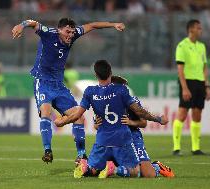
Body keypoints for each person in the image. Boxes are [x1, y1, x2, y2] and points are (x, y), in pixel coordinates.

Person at [12, 18, 126, 164]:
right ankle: (47, 150)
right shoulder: (49, 33)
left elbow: (92, 25)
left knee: (79, 117)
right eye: (67, 31)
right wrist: (21, 25)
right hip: (43, 82)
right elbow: (32, 22)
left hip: (59, 85)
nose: (70, 35)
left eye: (72, 32)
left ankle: (82, 155)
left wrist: (113, 24)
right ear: (59, 30)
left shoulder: (73, 35)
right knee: (46, 112)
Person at [54, 60, 168, 178]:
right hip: (121, 139)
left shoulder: (93, 93)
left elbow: (142, 122)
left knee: (146, 173)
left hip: (121, 138)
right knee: (136, 172)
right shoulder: (119, 93)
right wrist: (158, 119)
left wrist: (62, 121)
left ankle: (89, 167)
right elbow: (97, 124)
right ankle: (113, 168)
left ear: (96, 75)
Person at [94, 75, 174, 178]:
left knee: (149, 175)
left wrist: (130, 122)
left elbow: (143, 123)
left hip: (133, 137)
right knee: (95, 170)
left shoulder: (132, 102)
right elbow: (96, 126)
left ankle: (157, 166)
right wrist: (98, 124)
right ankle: (118, 167)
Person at [173, 19, 210, 156]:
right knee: (182, 114)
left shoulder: (202, 46)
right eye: (198, 28)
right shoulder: (182, 46)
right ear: (191, 30)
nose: (201, 30)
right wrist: (184, 88)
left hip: (200, 83)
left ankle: (196, 148)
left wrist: (207, 86)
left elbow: (205, 67)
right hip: (188, 82)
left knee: (197, 114)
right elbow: (180, 70)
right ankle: (176, 147)